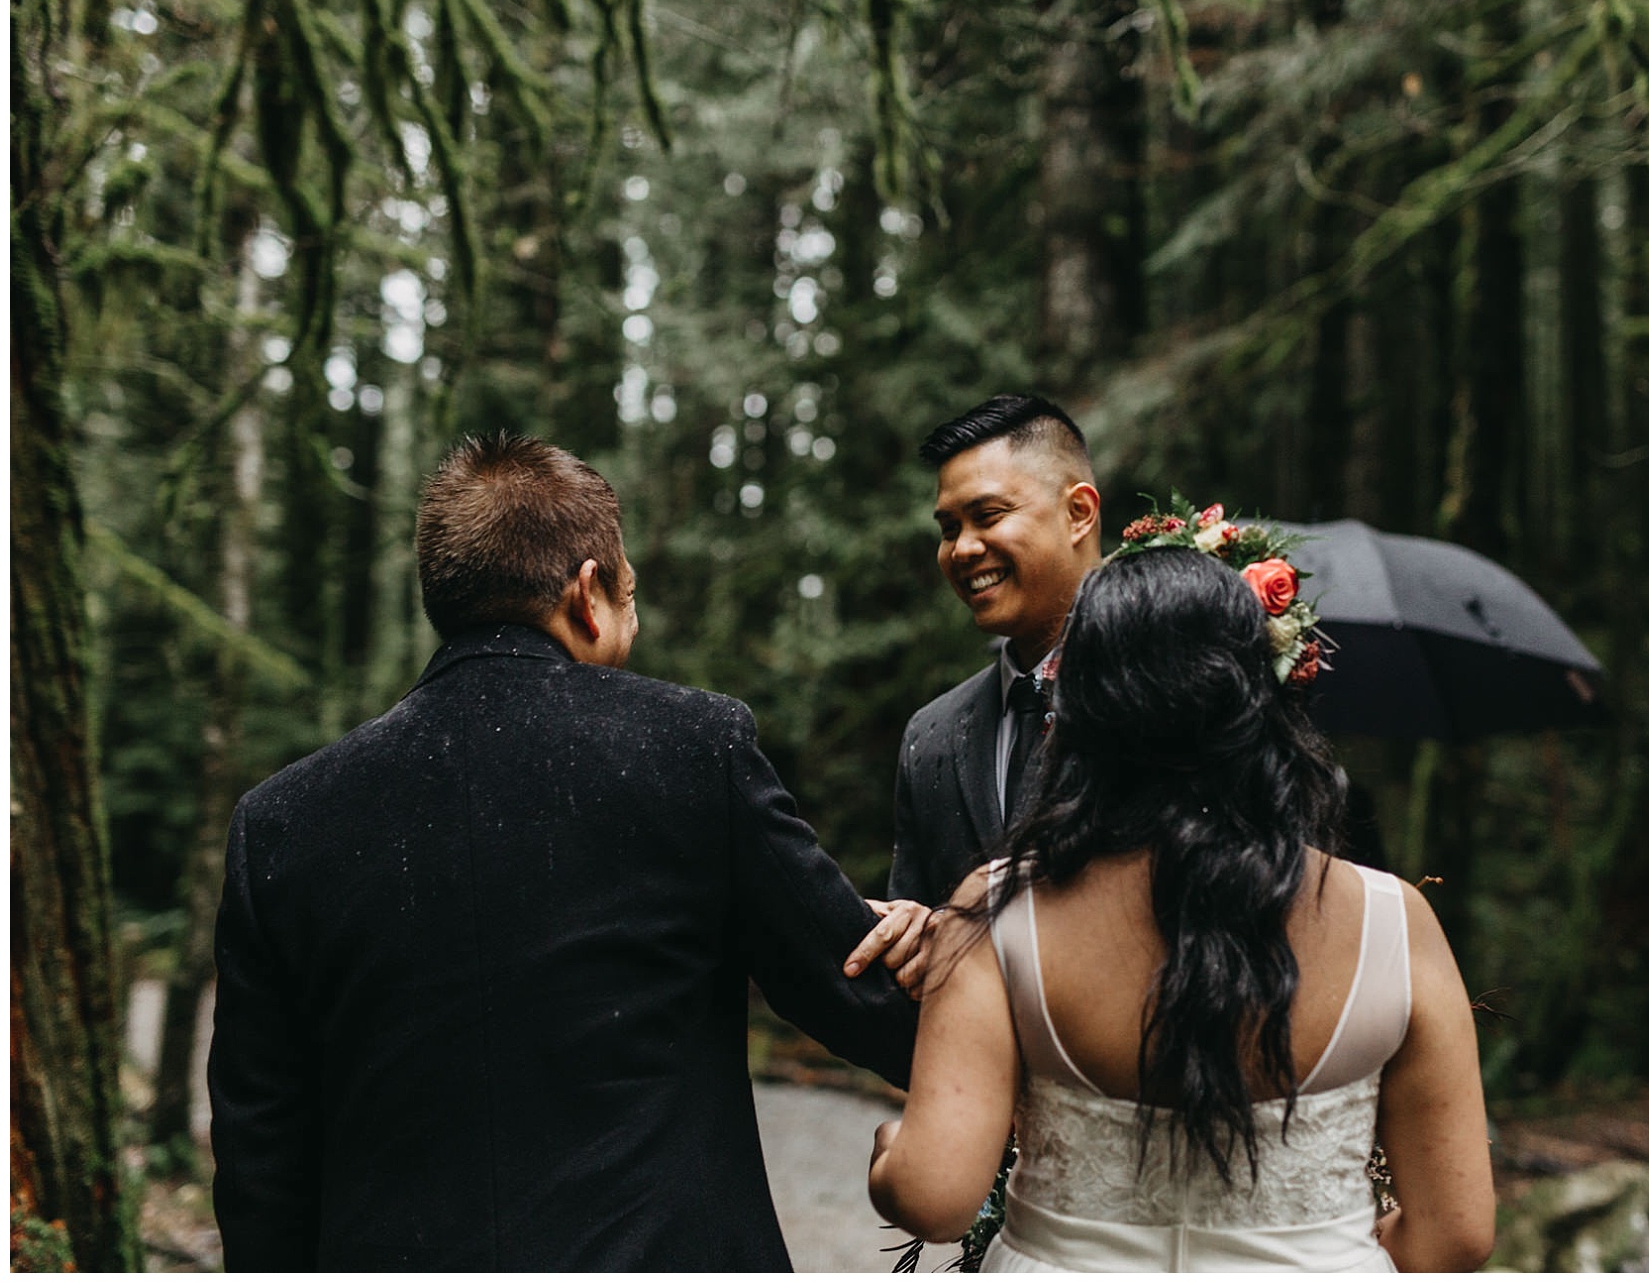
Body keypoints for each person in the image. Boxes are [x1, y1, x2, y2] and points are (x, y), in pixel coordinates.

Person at [207, 433, 927, 1271]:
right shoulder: (693, 748)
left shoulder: (281, 823)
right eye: (630, 595)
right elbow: (858, 991)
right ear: (589, 593)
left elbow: (260, 1159)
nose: (634, 621)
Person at [867, 546, 1495, 1271]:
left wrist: (892, 1152)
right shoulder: (1398, 921)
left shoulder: (1000, 908)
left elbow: (936, 1196)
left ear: (1078, 710)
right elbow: (1458, 1233)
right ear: (1259, 700)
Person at [888, 395, 1102, 906]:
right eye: (948, 529)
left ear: (1078, 513)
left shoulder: (1173, 684)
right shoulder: (930, 735)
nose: (962, 548)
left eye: (988, 515)